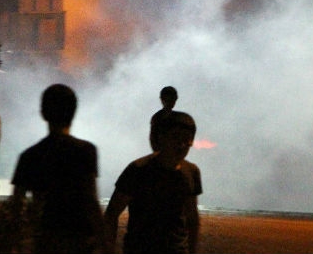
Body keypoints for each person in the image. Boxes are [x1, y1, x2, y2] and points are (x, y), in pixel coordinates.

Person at [10, 84, 107, 254]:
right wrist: (105, 241)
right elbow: (90, 199)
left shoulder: (29, 156)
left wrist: (17, 243)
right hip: (80, 239)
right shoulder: (85, 150)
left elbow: (16, 206)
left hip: (46, 239)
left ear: (43, 113)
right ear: (73, 112)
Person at [105, 111, 202, 254]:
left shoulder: (191, 172)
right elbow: (112, 214)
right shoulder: (138, 170)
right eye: (175, 137)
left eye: (186, 140)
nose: (181, 145)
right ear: (161, 137)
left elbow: (192, 218)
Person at [149, 86, 178, 151]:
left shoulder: (179, 118)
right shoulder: (157, 118)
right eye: (170, 99)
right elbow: (153, 138)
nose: (172, 101)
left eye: (173, 99)